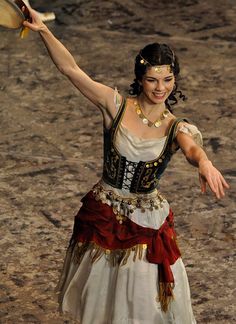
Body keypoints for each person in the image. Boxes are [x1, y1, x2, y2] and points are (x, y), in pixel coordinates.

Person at [23, 7, 229, 324]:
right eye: (152, 80)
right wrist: (43, 31)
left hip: (146, 220)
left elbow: (192, 150)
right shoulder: (116, 106)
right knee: (106, 299)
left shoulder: (176, 127)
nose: (161, 88)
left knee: (142, 299)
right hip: (106, 213)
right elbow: (71, 69)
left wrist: (206, 163)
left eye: (168, 79)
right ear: (140, 79)